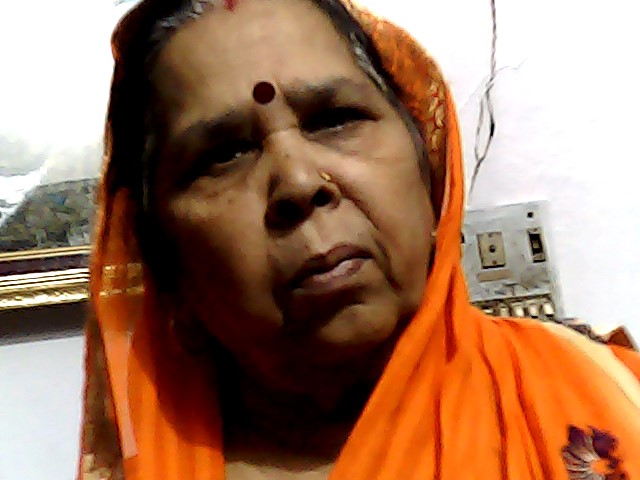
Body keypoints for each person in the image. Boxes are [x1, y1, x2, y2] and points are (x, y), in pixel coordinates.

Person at [79, 0, 640, 479]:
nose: (299, 182)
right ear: (162, 251)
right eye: (225, 154)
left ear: (429, 169)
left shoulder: (613, 403)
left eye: (334, 119)